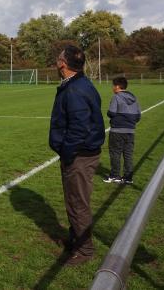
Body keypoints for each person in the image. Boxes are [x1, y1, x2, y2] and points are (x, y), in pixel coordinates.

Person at [49, 45, 105, 266]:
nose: (56, 61)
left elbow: (79, 127)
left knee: (77, 204)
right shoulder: (79, 84)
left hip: (79, 156)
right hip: (82, 153)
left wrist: (67, 152)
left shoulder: (75, 89)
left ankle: (84, 251)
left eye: (58, 58)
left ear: (63, 64)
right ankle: (75, 239)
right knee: (75, 201)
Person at [103, 77, 141, 185]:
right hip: (130, 131)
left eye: (113, 86)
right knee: (128, 154)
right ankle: (128, 177)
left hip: (117, 131)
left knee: (115, 153)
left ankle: (115, 175)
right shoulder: (134, 98)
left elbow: (111, 113)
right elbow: (138, 116)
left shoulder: (116, 97)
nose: (112, 88)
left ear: (117, 86)